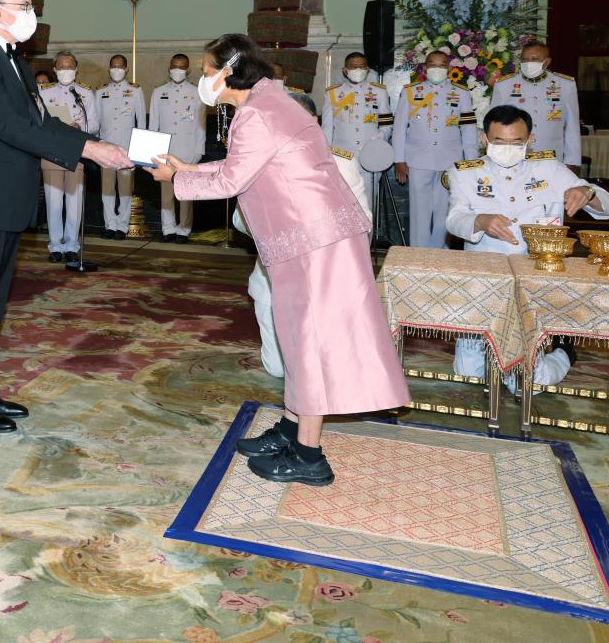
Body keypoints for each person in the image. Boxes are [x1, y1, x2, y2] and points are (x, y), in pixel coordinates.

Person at [150, 33, 409, 485]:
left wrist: (178, 179)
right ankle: (292, 428)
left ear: (229, 71)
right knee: (295, 336)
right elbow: (249, 168)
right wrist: (187, 169)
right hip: (311, 237)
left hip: (313, 243)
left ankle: (309, 456)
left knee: (308, 341)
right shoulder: (269, 101)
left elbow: (232, 180)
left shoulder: (256, 115)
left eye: (207, 71)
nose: (203, 79)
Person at [0, 0, 131, 433]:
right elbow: (6, 126)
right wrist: (88, 151)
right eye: (24, 6)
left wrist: (96, 144)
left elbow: (41, 123)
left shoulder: (15, 61)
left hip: (5, 194)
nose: (32, 13)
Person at [446, 105, 609, 389]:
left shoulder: (549, 168)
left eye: (517, 143)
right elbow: (454, 220)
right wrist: (481, 220)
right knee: (469, 375)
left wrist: (587, 193)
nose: (508, 149)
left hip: (535, 279)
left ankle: (563, 351)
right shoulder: (464, 172)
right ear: (484, 140)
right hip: (484, 281)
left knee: (526, 384)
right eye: (499, 142)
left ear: (531, 139)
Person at [244, 91, 370, 379]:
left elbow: (364, 220)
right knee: (279, 369)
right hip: (275, 281)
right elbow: (240, 221)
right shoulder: (257, 162)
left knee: (324, 369)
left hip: (326, 279)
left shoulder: (341, 163)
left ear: (313, 120)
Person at [391, 49, 478, 248]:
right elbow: (399, 129)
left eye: (441, 64)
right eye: (432, 64)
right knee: (419, 211)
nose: (436, 68)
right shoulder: (411, 91)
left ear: (448, 68)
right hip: (417, 160)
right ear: (425, 67)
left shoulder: (461, 93)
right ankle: (418, 254)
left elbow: (469, 130)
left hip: (450, 162)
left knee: (444, 211)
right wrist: (399, 159)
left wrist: (471, 163)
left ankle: (440, 253)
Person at [39, 50, 98, 263]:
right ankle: (55, 246)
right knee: (53, 202)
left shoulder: (86, 93)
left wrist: (78, 127)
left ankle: (72, 245)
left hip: (77, 152)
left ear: (76, 69)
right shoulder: (44, 93)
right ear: (55, 70)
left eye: (70, 67)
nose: (66, 71)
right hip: (53, 153)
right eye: (61, 67)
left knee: (74, 202)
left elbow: (95, 124)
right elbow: (39, 124)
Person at [489, 40, 580, 173]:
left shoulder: (565, 84)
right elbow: (494, 123)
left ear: (547, 62)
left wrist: (572, 161)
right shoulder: (505, 85)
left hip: (551, 158)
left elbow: (572, 127)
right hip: (513, 158)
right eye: (525, 59)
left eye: (535, 59)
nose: (528, 63)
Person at [322, 51, 394, 216]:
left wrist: (379, 139)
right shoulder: (332, 93)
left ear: (367, 69)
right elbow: (326, 128)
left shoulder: (379, 92)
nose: (358, 70)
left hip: (370, 157)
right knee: (342, 206)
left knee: (367, 206)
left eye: (361, 67)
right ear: (345, 70)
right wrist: (326, 157)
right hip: (342, 158)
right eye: (354, 67)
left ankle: (366, 242)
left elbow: (386, 123)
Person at [148, 53, 205, 243]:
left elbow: (200, 124)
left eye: (181, 67)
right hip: (165, 150)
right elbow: (153, 123)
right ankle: (168, 229)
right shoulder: (159, 92)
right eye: (174, 66)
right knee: (166, 193)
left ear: (188, 70)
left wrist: (199, 150)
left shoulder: (197, 93)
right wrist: (151, 150)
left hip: (188, 150)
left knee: (185, 194)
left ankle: (184, 229)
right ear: (169, 68)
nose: (177, 70)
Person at [95, 54, 144, 238]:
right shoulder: (100, 92)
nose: (117, 70)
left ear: (126, 69)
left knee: (125, 189)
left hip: (127, 149)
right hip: (105, 148)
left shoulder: (136, 91)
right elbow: (96, 121)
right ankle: (110, 225)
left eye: (120, 67)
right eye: (113, 67)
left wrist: (139, 149)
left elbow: (141, 122)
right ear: (109, 69)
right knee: (107, 189)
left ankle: (122, 227)